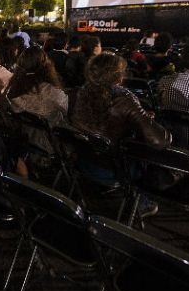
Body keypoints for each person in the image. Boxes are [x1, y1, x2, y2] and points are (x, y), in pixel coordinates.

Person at [70, 54, 171, 216]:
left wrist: (141, 116)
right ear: (119, 75)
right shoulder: (124, 98)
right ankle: (142, 202)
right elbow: (160, 141)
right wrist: (143, 118)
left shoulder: (79, 92)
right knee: (147, 150)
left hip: (85, 163)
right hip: (114, 170)